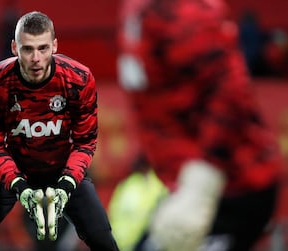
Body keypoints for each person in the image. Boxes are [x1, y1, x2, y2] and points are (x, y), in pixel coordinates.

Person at [117, 0, 283, 251]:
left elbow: (230, 93)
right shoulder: (143, 9)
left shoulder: (183, 10)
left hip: (230, 187)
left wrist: (202, 184)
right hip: (183, 181)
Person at [0, 11, 119, 251]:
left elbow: (85, 142)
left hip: (62, 170)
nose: (36, 58)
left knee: (103, 240)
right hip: (10, 172)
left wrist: (67, 185)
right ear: (14, 47)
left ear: (55, 46)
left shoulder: (79, 78)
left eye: (43, 48)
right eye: (27, 49)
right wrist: (19, 186)